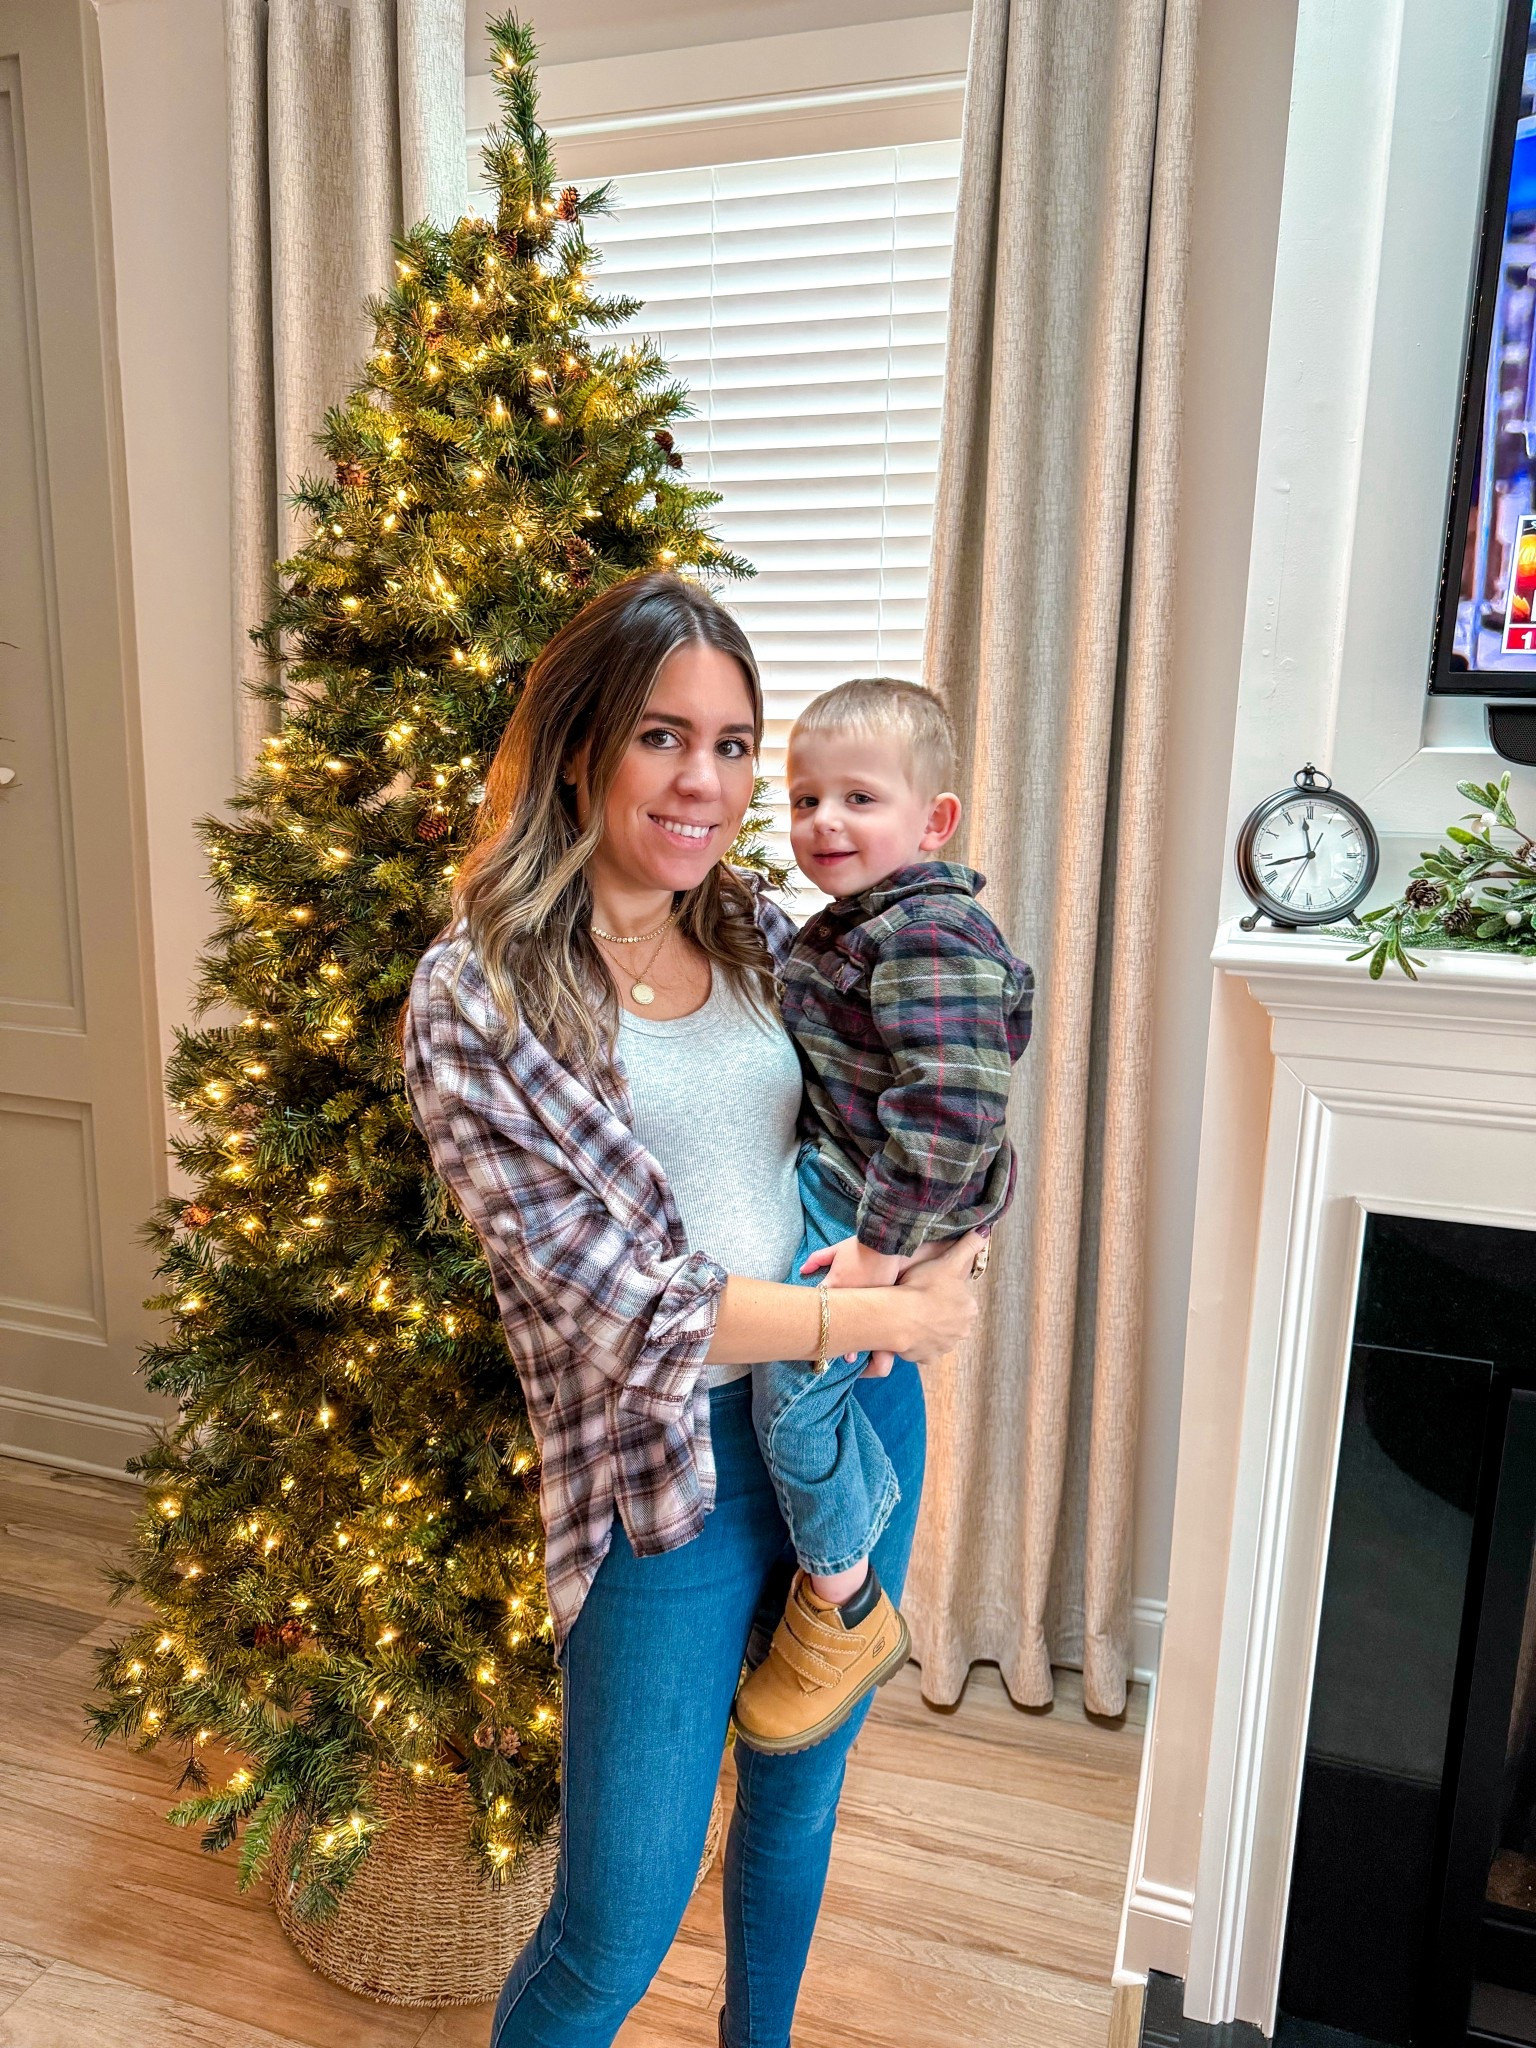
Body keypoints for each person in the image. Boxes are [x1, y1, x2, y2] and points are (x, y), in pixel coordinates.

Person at [401, 573, 984, 2048]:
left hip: (853, 1423)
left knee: (797, 1804)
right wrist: (878, 1323)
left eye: (735, 747)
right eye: (668, 737)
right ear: (583, 747)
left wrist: (949, 1258)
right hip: (660, 1481)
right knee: (615, 1927)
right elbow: (623, 1313)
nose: (708, 783)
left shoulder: (763, 934)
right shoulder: (477, 999)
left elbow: (917, 1107)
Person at [731, 678, 1034, 1756]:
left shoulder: (925, 930)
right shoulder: (852, 924)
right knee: (812, 1380)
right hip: (860, 1187)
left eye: (859, 798)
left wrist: (883, 1249)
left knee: (791, 1394)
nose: (824, 823)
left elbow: (955, 1107)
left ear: (934, 819)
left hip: (868, 1203)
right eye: (806, 798)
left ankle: (843, 1607)